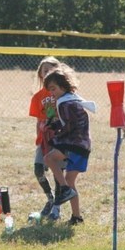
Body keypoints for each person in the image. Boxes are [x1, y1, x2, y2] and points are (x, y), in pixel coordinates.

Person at [43, 65, 96, 225]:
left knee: (49, 159)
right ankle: (76, 217)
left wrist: (57, 132)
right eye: (49, 90)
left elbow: (72, 125)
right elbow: (71, 121)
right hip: (83, 145)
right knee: (70, 180)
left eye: (53, 89)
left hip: (75, 144)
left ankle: (64, 190)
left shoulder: (66, 103)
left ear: (63, 85)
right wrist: (57, 124)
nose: (52, 93)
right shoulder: (72, 99)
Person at [28, 56, 63, 220]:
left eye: (51, 69)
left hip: (60, 139)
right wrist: (39, 139)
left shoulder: (63, 93)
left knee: (58, 174)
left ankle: (57, 207)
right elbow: (38, 120)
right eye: (45, 70)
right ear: (40, 75)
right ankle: (50, 199)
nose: (48, 73)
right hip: (44, 140)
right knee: (38, 169)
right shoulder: (38, 96)